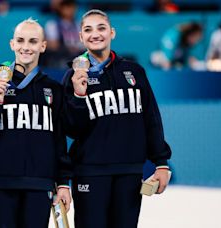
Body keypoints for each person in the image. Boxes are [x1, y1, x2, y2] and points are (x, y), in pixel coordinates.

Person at [62, 9, 172, 228]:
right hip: (89, 173)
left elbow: (150, 118)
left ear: (112, 33)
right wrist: (79, 95)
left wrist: (161, 163)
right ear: (81, 37)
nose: (95, 34)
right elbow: (71, 129)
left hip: (129, 172)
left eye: (101, 28)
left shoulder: (134, 71)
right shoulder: (73, 76)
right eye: (88, 30)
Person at [0, 18, 71, 228]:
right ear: (12, 44)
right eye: (21, 40)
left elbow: (59, 139)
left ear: (43, 46)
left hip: (39, 183)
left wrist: (62, 182)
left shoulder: (53, 89)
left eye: (33, 41)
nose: (26, 47)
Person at [43, 0, 83, 68]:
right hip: (61, 58)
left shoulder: (80, 24)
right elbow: (53, 45)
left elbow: (85, 43)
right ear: (61, 9)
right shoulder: (52, 25)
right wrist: (68, 48)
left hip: (79, 56)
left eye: (72, 6)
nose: (70, 9)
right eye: (67, 7)